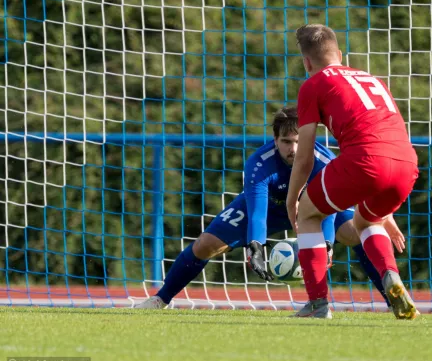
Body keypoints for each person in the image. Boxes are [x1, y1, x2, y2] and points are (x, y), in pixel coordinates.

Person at [134, 106, 406, 310]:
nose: (294, 148)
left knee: (357, 232)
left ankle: (392, 300)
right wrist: (255, 245)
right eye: (286, 142)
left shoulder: (324, 161)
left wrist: (327, 244)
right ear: (275, 139)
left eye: (299, 141)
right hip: (272, 209)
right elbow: (257, 211)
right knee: (205, 243)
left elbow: (329, 207)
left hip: (316, 208)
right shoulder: (259, 164)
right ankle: (161, 298)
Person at [286, 24, 420, 320]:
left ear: (306, 62)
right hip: (406, 163)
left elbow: (304, 155)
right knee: (367, 219)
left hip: (366, 160)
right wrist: (388, 215)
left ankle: (318, 304)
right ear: (340, 54)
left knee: (308, 213)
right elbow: (385, 139)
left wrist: (292, 199)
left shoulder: (313, 85)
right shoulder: (372, 78)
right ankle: (391, 276)